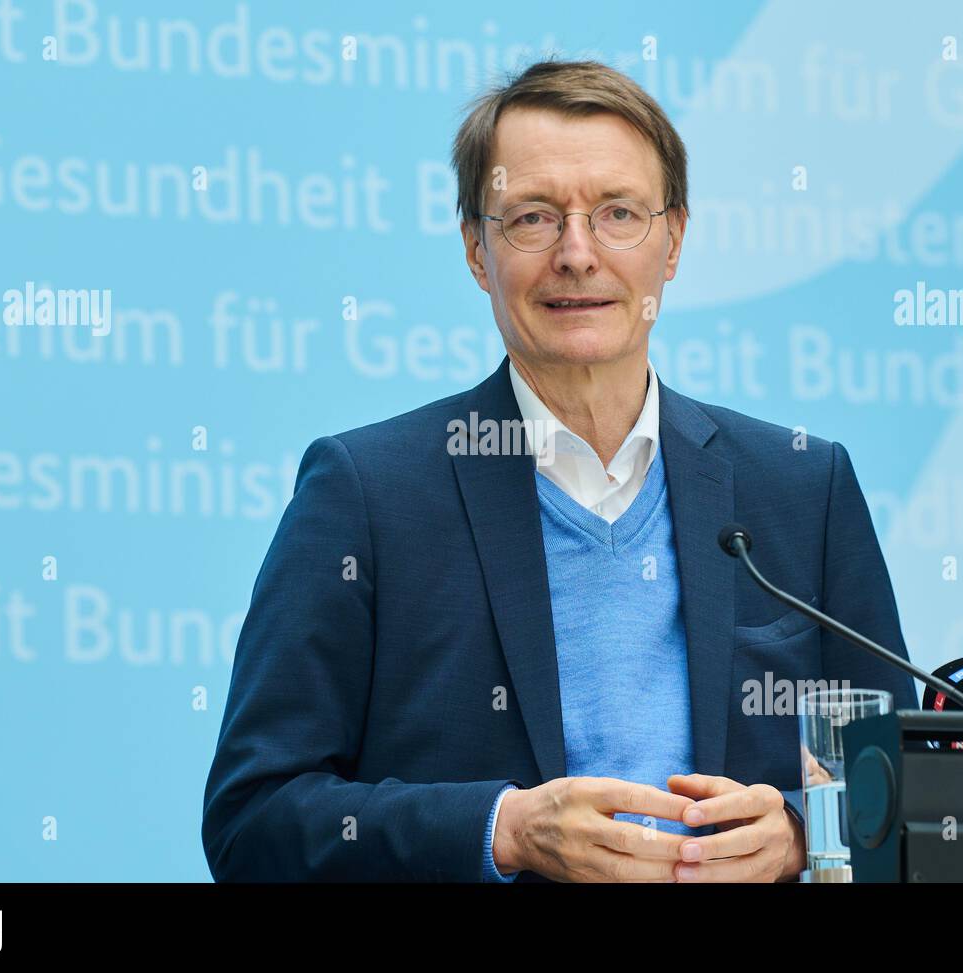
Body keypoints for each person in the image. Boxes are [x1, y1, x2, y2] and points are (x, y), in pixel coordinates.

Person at [202, 58, 918, 883]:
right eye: (534, 218)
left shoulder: (802, 488)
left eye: (618, 213)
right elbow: (253, 822)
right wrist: (503, 827)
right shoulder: (366, 494)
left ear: (674, 240)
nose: (577, 254)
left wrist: (801, 836)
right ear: (476, 249)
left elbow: (905, 796)